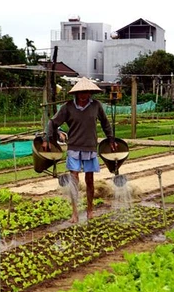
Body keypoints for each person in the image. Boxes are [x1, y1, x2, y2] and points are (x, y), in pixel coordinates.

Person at [42, 77, 117, 223]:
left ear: (90, 93)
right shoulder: (68, 107)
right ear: (76, 93)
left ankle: (90, 210)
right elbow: (52, 122)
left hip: (90, 147)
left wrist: (111, 139)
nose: (84, 95)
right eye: (81, 92)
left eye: (86, 92)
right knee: (74, 180)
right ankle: (75, 213)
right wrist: (46, 139)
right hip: (74, 147)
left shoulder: (96, 106)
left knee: (90, 180)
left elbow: (105, 123)